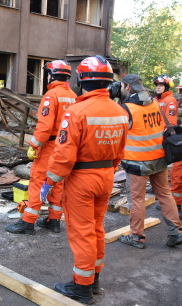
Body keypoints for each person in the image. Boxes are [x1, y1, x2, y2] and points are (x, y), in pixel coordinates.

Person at [43, 56, 129, 304]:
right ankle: (94, 278)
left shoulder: (77, 112)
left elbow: (64, 155)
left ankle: (81, 287)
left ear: (81, 79)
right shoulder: (119, 111)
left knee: (82, 233)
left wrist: (50, 181)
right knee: (96, 228)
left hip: (81, 179)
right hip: (105, 177)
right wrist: (108, 169)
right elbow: (120, 151)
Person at [5, 60, 76, 235]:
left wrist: (34, 145)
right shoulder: (73, 96)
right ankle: (53, 221)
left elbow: (45, 126)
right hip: (65, 146)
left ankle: (28, 223)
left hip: (50, 146)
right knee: (56, 183)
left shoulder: (51, 95)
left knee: (38, 182)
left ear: (51, 75)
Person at [118, 74, 182, 249]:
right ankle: (175, 231)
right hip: (159, 158)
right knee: (165, 194)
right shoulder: (154, 103)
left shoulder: (127, 108)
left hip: (137, 161)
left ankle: (137, 236)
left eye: (123, 86)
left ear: (128, 87)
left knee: (137, 199)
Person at [153, 74, 182, 218]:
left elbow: (169, 123)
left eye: (161, 85)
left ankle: (175, 203)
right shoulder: (159, 100)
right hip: (157, 137)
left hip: (165, 138)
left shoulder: (169, 101)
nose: (158, 87)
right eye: (157, 85)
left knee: (176, 172)